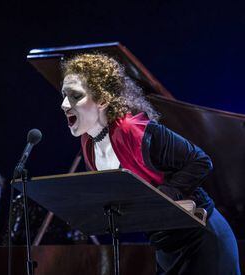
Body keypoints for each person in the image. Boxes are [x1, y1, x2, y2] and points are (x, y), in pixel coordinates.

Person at [60, 53, 240, 274]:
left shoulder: (135, 131)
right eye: (63, 95)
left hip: (202, 238)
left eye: (75, 96)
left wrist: (165, 197)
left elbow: (200, 161)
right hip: (166, 245)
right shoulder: (89, 143)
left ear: (103, 100)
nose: (64, 104)